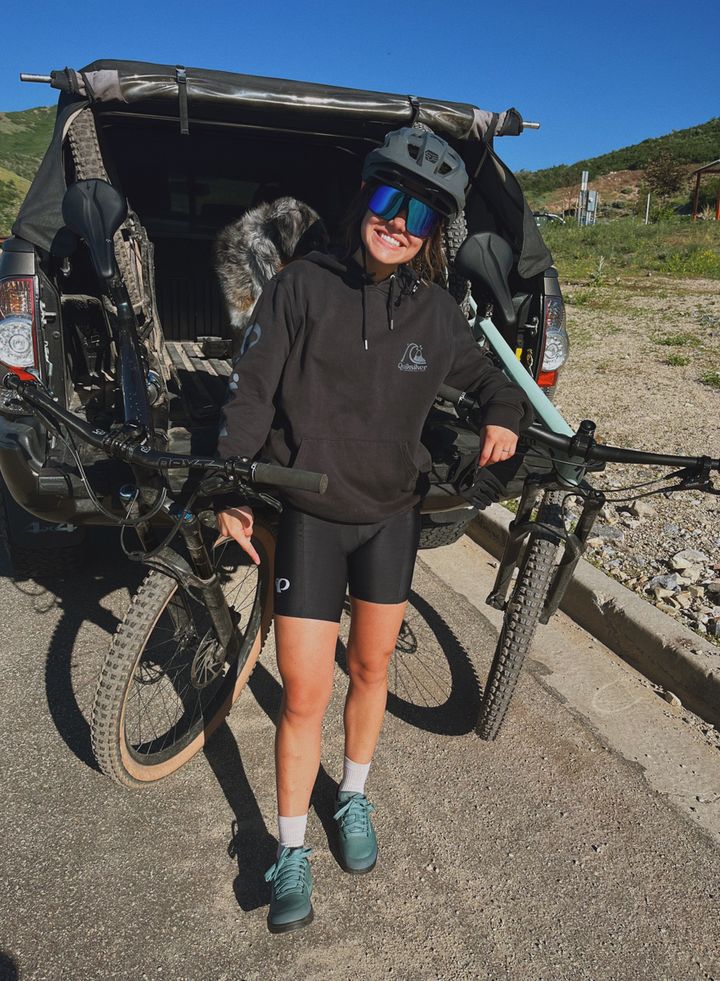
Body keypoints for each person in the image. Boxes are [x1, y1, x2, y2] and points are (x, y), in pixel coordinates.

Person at [216, 127, 532, 933]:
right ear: (366, 199)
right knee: (304, 695)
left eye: (419, 216)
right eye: (389, 202)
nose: (398, 224)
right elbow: (251, 392)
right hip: (314, 517)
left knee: (372, 666)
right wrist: (231, 484)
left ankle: (352, 795)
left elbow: (495, 379)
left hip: (388, 518)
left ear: (431, 235)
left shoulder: (434, 314)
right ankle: (289, 847)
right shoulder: (301, 288)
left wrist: (502, 416)